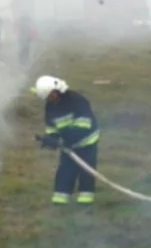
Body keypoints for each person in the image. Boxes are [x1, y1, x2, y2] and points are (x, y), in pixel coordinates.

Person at [32, 75, 101, 206]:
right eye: (47, 98)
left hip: (87, 143)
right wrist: (51, 139)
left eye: (51, 96)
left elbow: (84, 126)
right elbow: (52, 127)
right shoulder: (50, 106)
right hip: (68, 146)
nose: (50, 99)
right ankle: (60, 202)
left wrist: (64, 140)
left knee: (86, 174)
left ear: (56, 91)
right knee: (65, 172)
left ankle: (85, 204)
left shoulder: (77, 100)